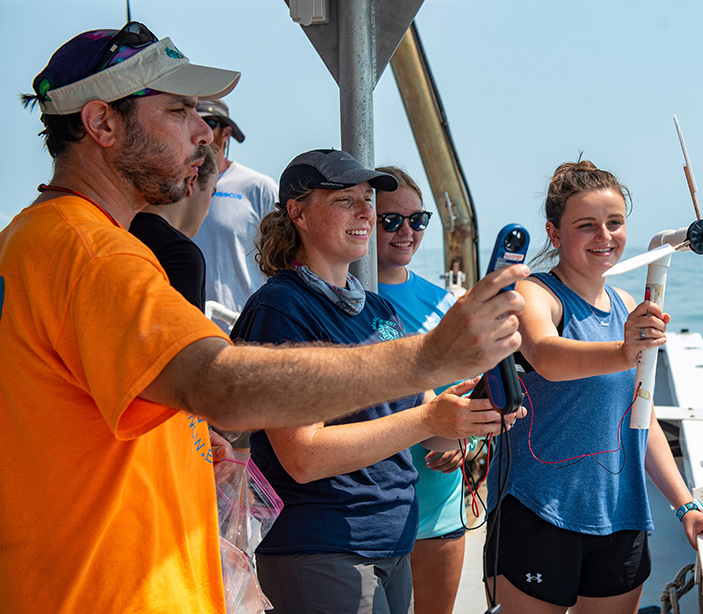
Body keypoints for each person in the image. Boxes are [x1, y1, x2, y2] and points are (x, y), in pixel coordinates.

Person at [1, 23, 526, 614]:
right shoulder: (94, 255)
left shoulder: (39, 241)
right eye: (178, 111)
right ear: (101, 123)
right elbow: (219, 385)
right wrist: (428, 358)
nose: (205, 132)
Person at [231, 150, 523, 614]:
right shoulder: (281, 308)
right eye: (345, 201)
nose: (365, 212)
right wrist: (428, 418)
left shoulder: (377, 309)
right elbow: (303, 456)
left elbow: (424, 426)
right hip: (322, 546)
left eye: (367, 199)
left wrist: (467, 417)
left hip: (392, 542)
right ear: (298, 213)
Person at [484, 161, 703, 613]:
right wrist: (624, 352)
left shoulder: (625, 303)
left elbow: (641, 418)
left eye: (615, 223)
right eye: (586, 225)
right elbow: (546, 354)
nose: (604, 236)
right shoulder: (535, 294)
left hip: (621, 515)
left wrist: (686, 506)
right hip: (538, 510)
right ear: (554, 233)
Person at [375, 166, 468, 614]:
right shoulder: (342, 299)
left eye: (418, 219)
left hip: (440, 498)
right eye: (391, 220)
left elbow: (466, 391)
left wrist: (464, 442)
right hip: (372, 502)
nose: (407, 231)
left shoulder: (446, 302)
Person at [193, 98, 278, 325]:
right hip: (188, 327)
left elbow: (283, 260)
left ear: (226, 133)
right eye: (192, 121)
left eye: (209, 123)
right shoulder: (174, 187)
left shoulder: (259, 187)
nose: (201, 131)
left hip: (244, 327)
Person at [130, 146, 219, 310]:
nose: (207, 212)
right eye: (211, 193)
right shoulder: (179, 253)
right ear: (191, 181)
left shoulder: (115, 226)